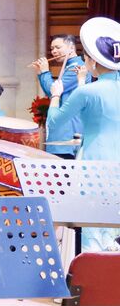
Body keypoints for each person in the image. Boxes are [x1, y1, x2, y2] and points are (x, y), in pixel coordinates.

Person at [47, 16, 120, 250]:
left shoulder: (88, 91)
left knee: (93, 226)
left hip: (95, 161)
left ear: (92, 61)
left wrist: (56, 94)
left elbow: (54, 123)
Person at [33, 33, 87, 156]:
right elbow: (52, 93)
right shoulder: (69, 66)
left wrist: (44, 72)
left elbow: (52, 91)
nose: (54, 51)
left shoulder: (77, 67)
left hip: (68, 129)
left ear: (71, 47)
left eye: (58, 47)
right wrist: (41, 73)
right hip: (64, 128)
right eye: (52, 48)